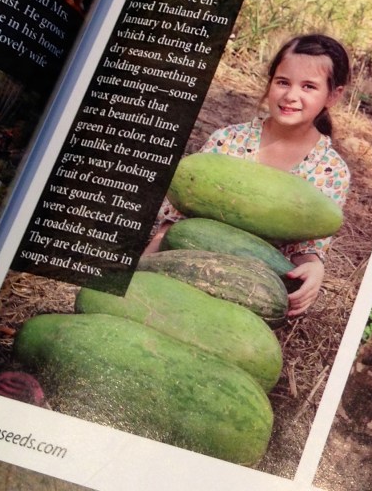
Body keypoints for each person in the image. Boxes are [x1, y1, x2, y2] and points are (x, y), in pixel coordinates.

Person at [149, 34, 352, 318]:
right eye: (283, 82)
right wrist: (144, 267)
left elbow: (307, 249)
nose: (291, 95)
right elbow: (177, 219)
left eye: (309, 86)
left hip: (255, 288)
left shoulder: (329, 170)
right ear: (270, 82)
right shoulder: (229, 140)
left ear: (333, 95)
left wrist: (314, 268)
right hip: (190, 261)